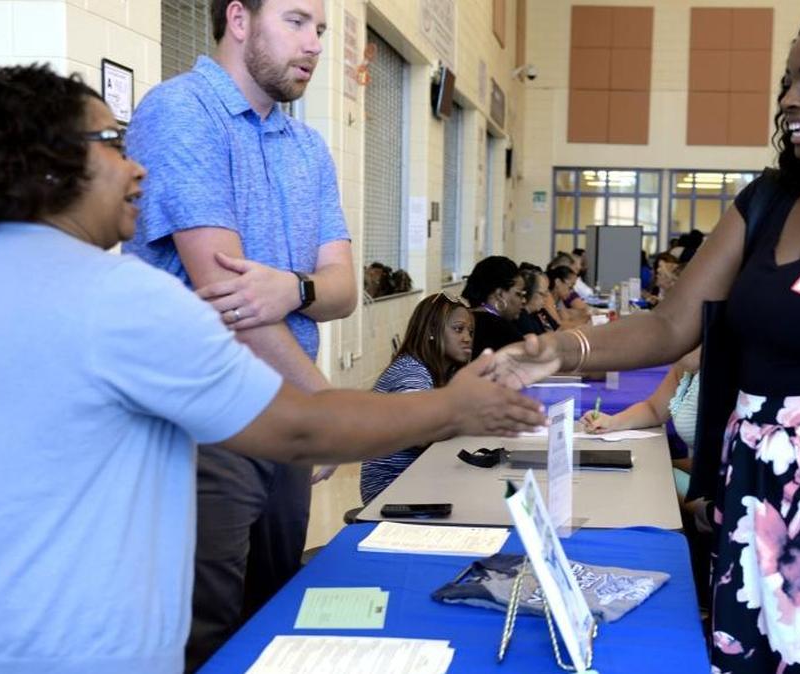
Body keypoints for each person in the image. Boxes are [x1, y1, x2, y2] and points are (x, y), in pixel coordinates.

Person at [0, 64, 546, 674]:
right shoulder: (115, 297)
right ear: (47, 167)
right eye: (111, 142)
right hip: (58, 652)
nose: (138, 168)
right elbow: (298, 430)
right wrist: (453, 407)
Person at [492, 1, 800, 670]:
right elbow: (671, 325)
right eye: (786, 83)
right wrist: (558, 351)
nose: (789, 101)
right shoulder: (768, 200)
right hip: (759, 505)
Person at [123, 0, 356, 666]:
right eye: (296, 21)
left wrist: (297, 288)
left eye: (320, 30)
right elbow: (227, 299)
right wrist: (324, 409)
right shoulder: (181, 112)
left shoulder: (306, 145)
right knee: (206, 635)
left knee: (275, 613)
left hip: (278, 418)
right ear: (239, 19)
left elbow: (342, 291)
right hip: (206, 422)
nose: (313, 44)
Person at [360, 293, 474, 503]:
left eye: (470, 331)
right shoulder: (411, 371)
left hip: (419, 480)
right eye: (458, 329)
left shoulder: (443, 372)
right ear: (431, 331)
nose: (467, 337)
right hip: (392, 490)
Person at [462, 255, 526, 356]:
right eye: (519, 294)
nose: (523, 300)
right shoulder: (504, 332)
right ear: (499, 294)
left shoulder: (460, 322)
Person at [515, 268, 556, 335]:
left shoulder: (540, 312)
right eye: (542, 294)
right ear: (528, 292)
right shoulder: (521, 317)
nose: (545, 298)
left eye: (546, 293)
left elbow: (557, 330)